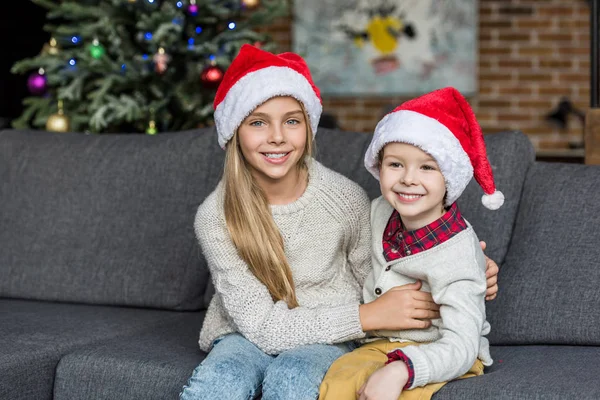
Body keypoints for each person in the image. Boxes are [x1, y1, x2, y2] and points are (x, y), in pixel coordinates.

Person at [179, 45, 499, 400]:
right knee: (219, 380)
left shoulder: (344, 199)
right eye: (257, 122)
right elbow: (264, 329)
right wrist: (367, 317)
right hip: (250, 331)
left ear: (309, 128)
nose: (277, 137)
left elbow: (379, 272)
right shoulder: (216, 217)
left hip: (333, 330)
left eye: (291, 121)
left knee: (293, 377)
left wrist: (467, 266)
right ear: (234, 132)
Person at [319, 87, 504, 400]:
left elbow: (462, 343)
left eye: (427, 167)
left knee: (395, 392)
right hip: (380, 344)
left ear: (450, 177)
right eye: (395, 165)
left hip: (444, 351)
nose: (407, 179)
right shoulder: (378, 211)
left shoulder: (458, 252)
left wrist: (402, 369)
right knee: (337, 383)